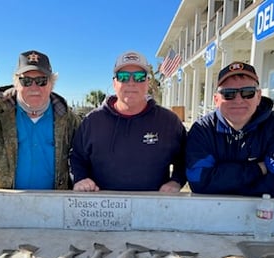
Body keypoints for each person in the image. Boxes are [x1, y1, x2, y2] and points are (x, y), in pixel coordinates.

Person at [69, 50, 187, 192]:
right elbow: (77, 157)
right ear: (114, 83)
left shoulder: (169, 121)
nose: (131, 83)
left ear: (147, 82)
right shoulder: (92, 121)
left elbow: (186, 158)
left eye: (139, 77)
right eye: (123, 77)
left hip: (154, 208)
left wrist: (176, 181)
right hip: (102, 208)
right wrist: (81, 178)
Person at [0, 48, 81, 189]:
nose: (34, 87)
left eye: (41, 81)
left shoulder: (68, 119)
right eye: (26, 81)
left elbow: (83, 155)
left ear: (51, 84)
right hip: (0, 204)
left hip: (54, 204)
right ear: (16, 83)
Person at [186, 61, 274, 198]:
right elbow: (199, 182)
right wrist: (259, 168)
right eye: (228, 94)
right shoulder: (202, 130)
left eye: (248, 93)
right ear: (216, 100)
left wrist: (222, 181)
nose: (238, 100)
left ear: (258, 97)